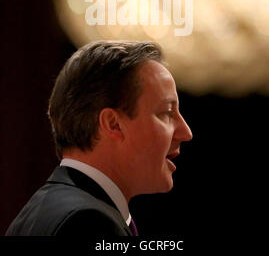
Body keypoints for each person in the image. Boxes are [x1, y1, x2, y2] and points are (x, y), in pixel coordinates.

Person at [5, 40, 193, 237]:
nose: (186, 132)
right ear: (113, 124)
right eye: (167, 112)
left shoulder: (44, 209)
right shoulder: (89, 223)